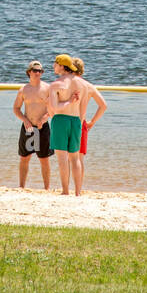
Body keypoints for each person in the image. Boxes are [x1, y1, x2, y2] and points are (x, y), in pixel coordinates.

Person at [46, 54, 83, 195]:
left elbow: (55, 108)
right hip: (75, 120)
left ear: (62, 66)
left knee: (62, 158)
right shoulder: (80, 83)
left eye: (55, 64)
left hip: (61, 120)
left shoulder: (56, 84)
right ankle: (78, 192)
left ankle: (66, 190)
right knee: (75, 157)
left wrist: (68, 102)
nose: (53, 66)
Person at [13, 60, 53, 189]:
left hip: (42, 127)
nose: (38, 73)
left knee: (44, 159)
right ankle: (21, 186)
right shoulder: (23, 90)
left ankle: (46, 188)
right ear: (29, 72)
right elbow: (16, 108)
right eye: (35, 71)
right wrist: (25, 120)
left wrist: (44, 118)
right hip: (28, 128)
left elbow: (53, 108)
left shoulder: (48, 88)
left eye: (40, 71)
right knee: (24, 158)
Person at [71, 57, 106, 191]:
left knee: (68, 158)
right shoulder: (89, 86)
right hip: (82, 122)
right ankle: (78, 189)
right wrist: (92, 122)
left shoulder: (70, 84)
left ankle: (67, 187)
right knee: (79, 158)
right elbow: (103, 106)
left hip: (69, 119)